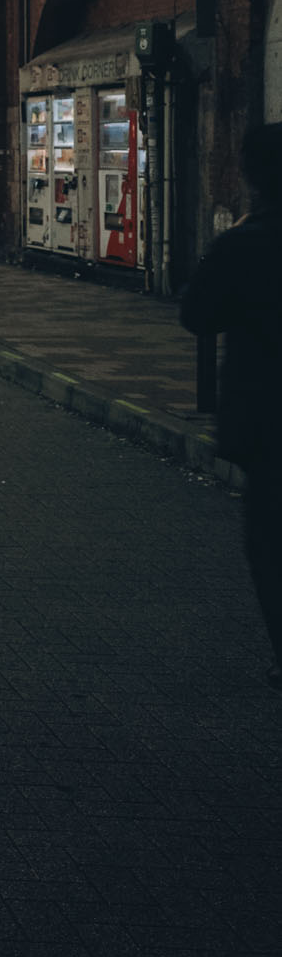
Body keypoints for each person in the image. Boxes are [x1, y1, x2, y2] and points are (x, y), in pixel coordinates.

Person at [179, 122, 282, 693]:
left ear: (252, 175)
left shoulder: (246, 241)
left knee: (271, 542)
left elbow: (197, 315)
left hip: (266, 417)